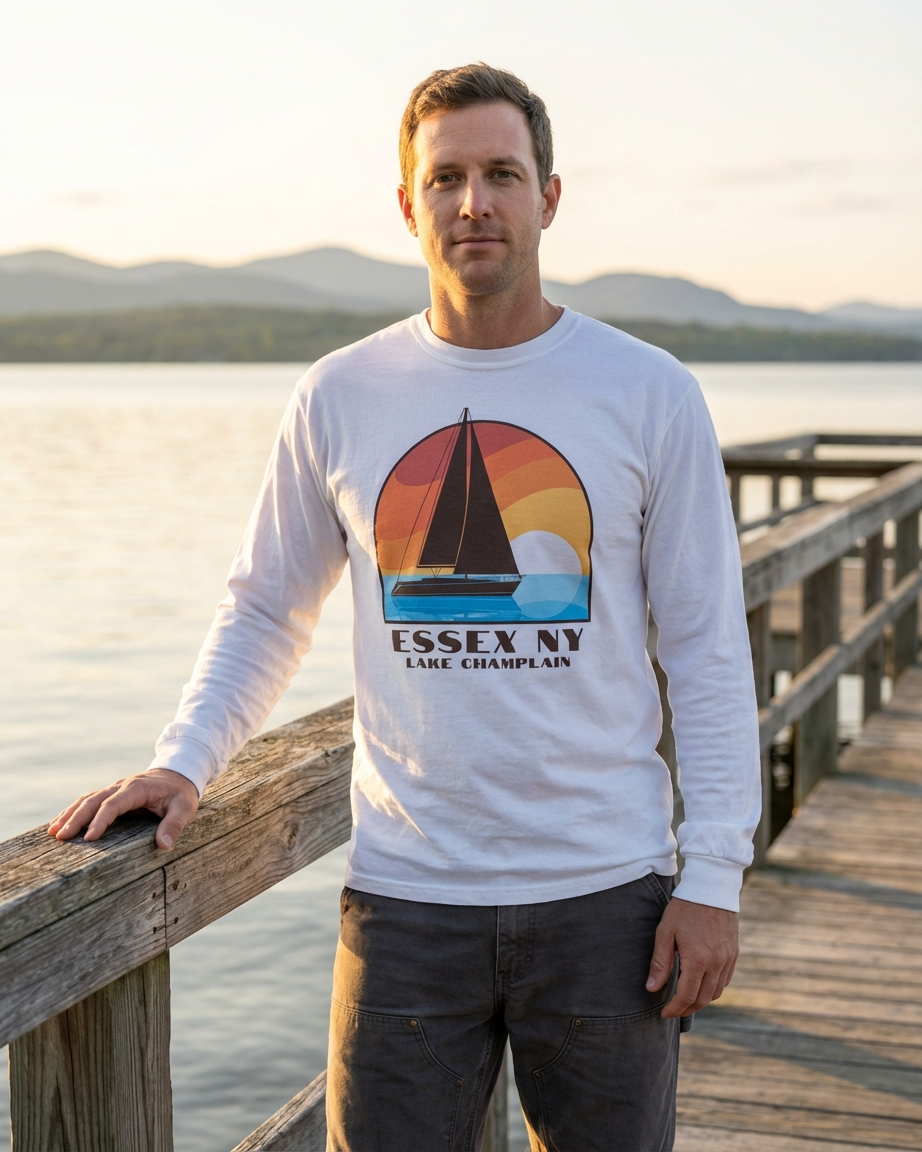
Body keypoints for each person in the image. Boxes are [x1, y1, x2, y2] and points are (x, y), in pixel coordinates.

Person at [49, 64, 761, 1152]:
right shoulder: (340, 395)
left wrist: (713, 873)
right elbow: (263, 609)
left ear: (548, 198)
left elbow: (707, 650)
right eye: (447, 178)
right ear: (407, 205)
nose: (473, 201)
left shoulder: (646, 390)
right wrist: (185, 759)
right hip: (406, 901)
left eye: (501, 174)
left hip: (606, 895)